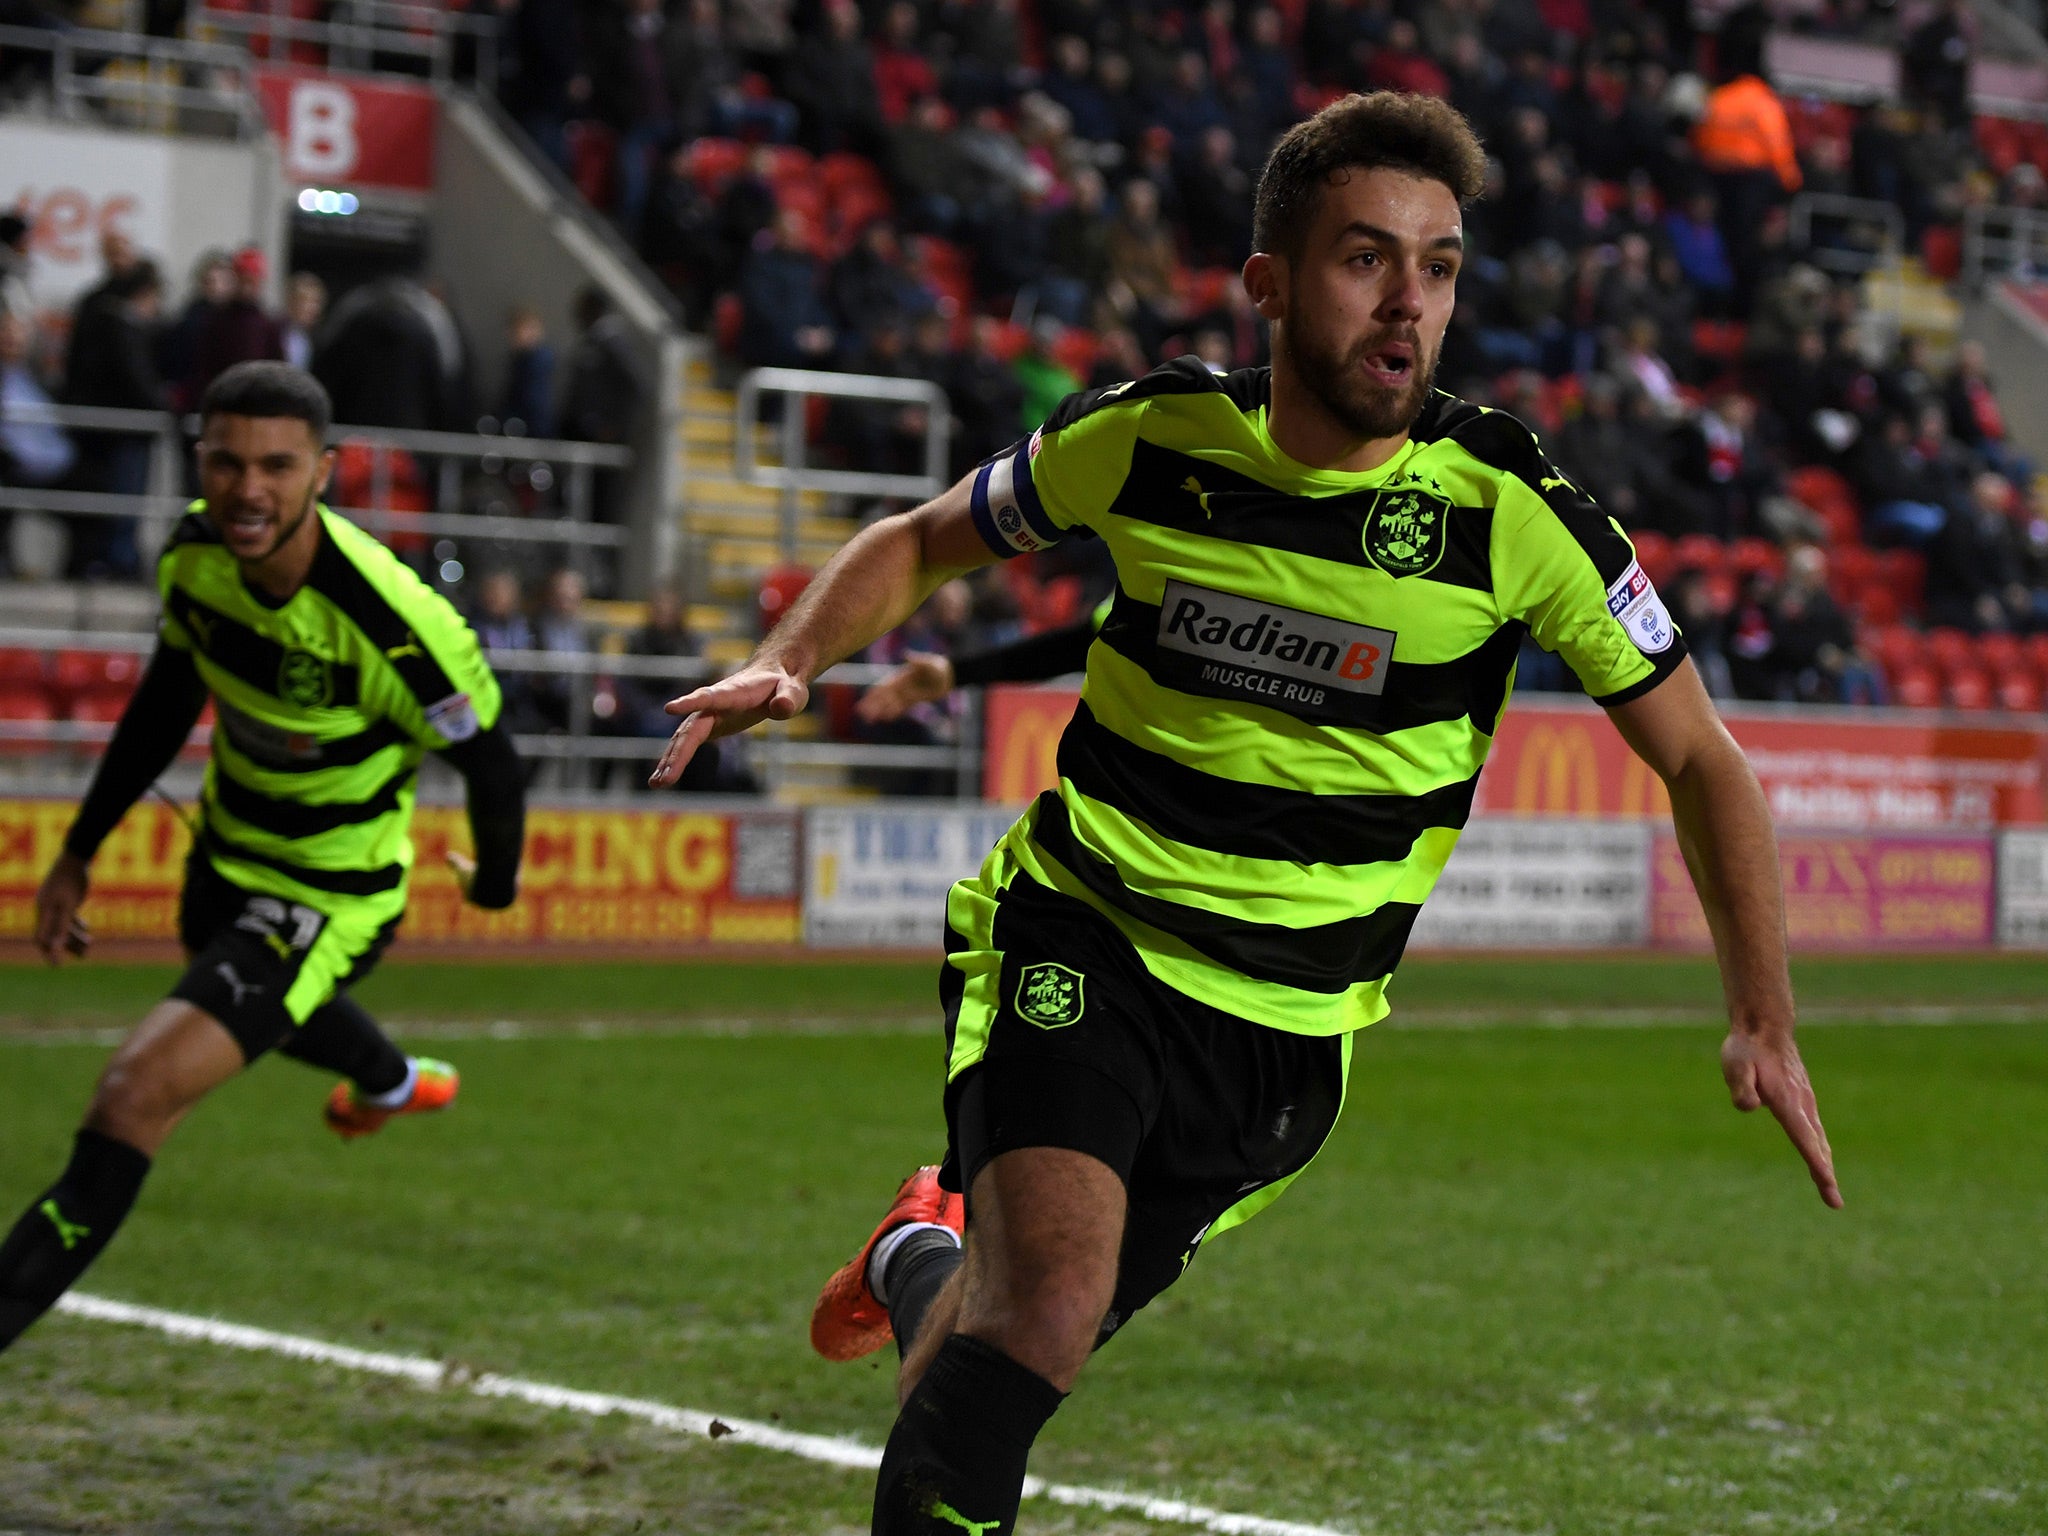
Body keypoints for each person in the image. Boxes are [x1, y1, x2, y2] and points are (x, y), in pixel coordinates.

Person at [648, 92, 1842, 1536]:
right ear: (1270, 282)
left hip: (1287, 1040)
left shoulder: (1512, 510)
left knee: (1001, 1348)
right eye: (1365, 259)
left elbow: (1703, 759)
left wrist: (1762, 1012)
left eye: (1441, 266)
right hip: (1088, 930)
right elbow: (924, 538)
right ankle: (941, 1268)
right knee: (1042, 1315)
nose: (1410, 303)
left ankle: (914, 1256)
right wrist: (794, 658)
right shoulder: (1154, 438)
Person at [3, 363, 526, 1354]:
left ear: (324, 472)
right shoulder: (194, 553)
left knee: (133, 1095)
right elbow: (166, 696)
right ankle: (388, 1079)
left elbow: (496, 770)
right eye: (227, 462)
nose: (249, 489)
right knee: (246, 992)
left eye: (277, 467)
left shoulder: (399, 627)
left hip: (328, 898)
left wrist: (493, 889)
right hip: (222, 858)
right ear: (199, 462)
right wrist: (77, 851)